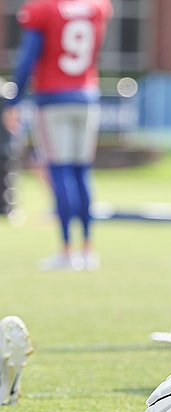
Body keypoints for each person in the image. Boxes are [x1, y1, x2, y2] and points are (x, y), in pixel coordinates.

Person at [2, 0, 113, 271]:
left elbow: (28, 56)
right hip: (87, 95)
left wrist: (13, 101)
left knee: (59, 170)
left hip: (52, 98)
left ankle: (66, 250)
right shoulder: (96, 6)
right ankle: (87, 249)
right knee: (81, 171)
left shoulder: (43, 8)